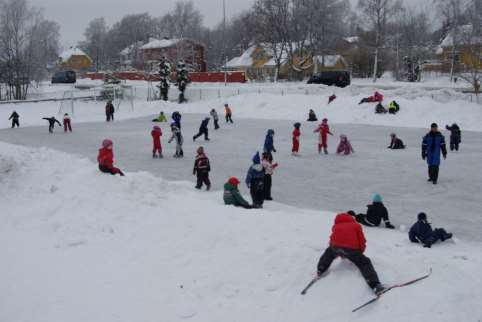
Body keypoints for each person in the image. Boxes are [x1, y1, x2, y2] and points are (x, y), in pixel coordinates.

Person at [316, 213, 385, 295]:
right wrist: (360, 252)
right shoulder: (356, 226)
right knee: (364, 262)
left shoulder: (336, 227)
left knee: (328, 254)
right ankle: (375, 285)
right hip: (352, 250)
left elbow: (332, 239)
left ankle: (321, 269)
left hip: (335, 248)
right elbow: (362, 241)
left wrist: (337, 251)